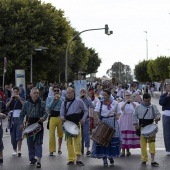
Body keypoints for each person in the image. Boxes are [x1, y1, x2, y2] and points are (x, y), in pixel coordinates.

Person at [91, 89, 122, 166]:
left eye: (105, 95)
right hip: (103, 122)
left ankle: (110, 157)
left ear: (109, 95)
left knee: (111, 140)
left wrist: (116, 118)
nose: (103, 97)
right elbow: (96, 112)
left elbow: (119, 113)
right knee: (102, 140)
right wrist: (98, 119)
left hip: (112, 122)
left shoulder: (115, 103)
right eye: (103, 95)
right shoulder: (100, 103)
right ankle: (104, 158)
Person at [19, 87, 48, 168]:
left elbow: (46, 113)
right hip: (29, 126)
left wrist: (43, 118)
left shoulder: (42, 103)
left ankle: (38, 161)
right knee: (30, 144)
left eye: (37, 93)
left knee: (39, 143)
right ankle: (32, 159)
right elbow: (21, 115)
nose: (36, 94)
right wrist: (21, 124)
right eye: (34, 93)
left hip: (39, 126)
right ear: (31, 94)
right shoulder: (26, 104)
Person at [60, 87, 88, 166]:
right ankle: (71, 159)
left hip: (76, 123)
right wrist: (62, 118)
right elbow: (61, 114)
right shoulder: (64, 103)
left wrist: (83, 119)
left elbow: (86, 110)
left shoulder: (79, 101)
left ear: (73, 92)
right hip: (68, 124)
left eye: (70, 92)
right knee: (69, 143)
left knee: (78, 142)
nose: (68, 94)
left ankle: (78, 159)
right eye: (67, 93)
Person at [133, 93, 161, 167]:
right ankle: (144, 159)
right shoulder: (138, 107)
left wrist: (157, 118)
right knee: (143, 145)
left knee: (152, 144)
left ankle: (153, 160)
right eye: (146, 101)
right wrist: (136, 125)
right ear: (143, 99)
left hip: (151, 127)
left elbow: (158, 114)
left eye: (148, 101)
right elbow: (134, 116)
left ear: (150, 99)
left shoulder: (153, 106)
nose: (147, 102)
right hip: (142, 127)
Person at [118, 92, 140, 156]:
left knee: (129, 135)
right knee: (124, 135)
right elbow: (120, 109)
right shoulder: (120, 103)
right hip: (123, 120)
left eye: (129, 96)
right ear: (124, 96)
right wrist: (125, 103)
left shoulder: (135, 103)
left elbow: (137, 109)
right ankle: (123, 151)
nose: (128, 97)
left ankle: (128, 150)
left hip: (131, 120)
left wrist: (131, 102)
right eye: (126, 95)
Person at [6, 86, 25, 156]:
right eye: (14, 92)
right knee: (13, 135)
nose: (15, 93)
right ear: (12, 92)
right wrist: (11, 99)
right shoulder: (9, 99)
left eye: (17, 92)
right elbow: (6, 107)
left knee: (19, 134)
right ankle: (14, 149)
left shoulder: (21, 99)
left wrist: (19, 99)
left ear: (19, 92)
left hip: (19, 118)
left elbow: (24, 105)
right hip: (12, 118)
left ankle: (19, 150)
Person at [46, 85, 64, 156]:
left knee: (60, 134)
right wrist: (54, 100)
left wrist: (59, 99)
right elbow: (48, 107)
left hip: (60, 117)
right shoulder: (49, 98)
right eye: (55, 90)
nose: (56, 92)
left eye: (57, 90)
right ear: (53, 91)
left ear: (59, 91)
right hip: (52, 117)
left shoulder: (62, 98)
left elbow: (64, 105)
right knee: (51, 134)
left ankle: (59, 148)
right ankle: (51, 150)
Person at [78, 88, 94, 156]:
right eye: (81, 91)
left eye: (84, 91)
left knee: (86, 134)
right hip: (79, 118)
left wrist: (87, 98)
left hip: (86, 119)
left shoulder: (88, 99)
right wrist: (79, 98)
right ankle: (81, 149)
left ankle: (87, 149)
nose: (82, 93)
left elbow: (92, 106)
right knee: (80, 134)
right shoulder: (77, 99)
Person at [159, 82, 170, 156]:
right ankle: (168, 149)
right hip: (166, 114)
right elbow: (161, 103)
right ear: (166, 88)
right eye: (168, 86)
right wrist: (167, 97)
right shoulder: (163, 95)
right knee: (167, 133)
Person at [0, 99, 7, 165]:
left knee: (0, 142)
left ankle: (1, 156)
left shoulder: (1, 103)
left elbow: (5, 114)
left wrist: (3, 115)